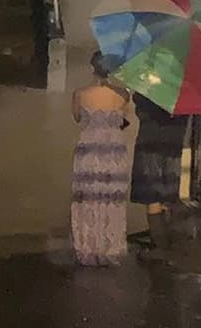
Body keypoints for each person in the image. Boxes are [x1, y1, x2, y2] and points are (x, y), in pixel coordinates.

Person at [70, 52, 132, 266]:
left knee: (89, 197)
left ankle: (89, 245)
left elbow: (77, 117)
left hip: (89, 149)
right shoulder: (124, 94)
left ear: (91, 68)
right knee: (111, 197)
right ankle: (111, 246)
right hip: (114, 150)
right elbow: (124, 119)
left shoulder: (79, 94)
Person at [130, 94, 189, 248]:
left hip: (149, 145)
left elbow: (140, 108)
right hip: (173, 146)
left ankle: (159, 244)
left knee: (152, 196)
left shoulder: (148, 92)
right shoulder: (183, 94)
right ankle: (173, 243)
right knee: (169, 194)